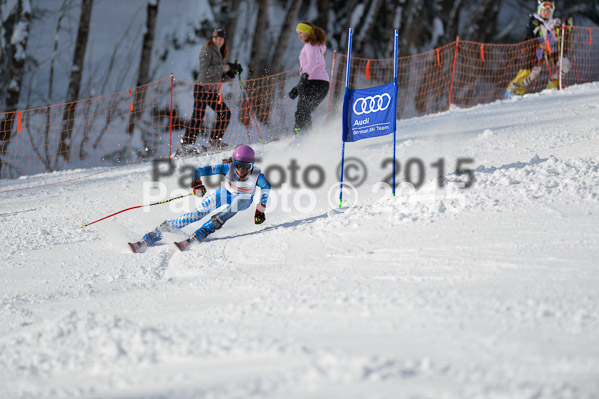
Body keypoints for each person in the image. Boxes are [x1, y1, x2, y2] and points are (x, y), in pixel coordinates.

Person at [128, 145, 270, 252]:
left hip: (243, 199)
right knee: (196, 214)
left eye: (247, 167)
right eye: (239, 166)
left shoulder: (257, 175)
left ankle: (206, 229)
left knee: (239, 201)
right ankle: (156, 233)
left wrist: (260, 209)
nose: (243, 171)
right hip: (225, 193)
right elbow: (198, 171)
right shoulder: (227, 167)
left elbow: (266, 187)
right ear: (234, 162)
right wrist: (197, 183)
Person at [182, 29, 243, 152]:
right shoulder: (207, 49)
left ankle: (215, 141)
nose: (218, 41)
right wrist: (225, 67)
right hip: (202, 88)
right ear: (212, 39)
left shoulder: (220, 52)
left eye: (220, 39)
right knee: (198, 116)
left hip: (212, 91)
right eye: (216, 39)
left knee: (225, 113)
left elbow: (218, 76)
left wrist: (231, 73)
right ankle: (187, 145)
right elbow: (205, 71)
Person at [505, 0, 573, 98]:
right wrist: (539, 43)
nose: (546, 13)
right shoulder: (534, 21)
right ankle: (513, 90)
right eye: (544, 11)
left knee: (565, 64)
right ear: (539, 10)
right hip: (535, 51)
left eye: (548, 12)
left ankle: (553, 86)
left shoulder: (553, 23)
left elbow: (560, 38)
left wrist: (566, 27)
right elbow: (528, 36)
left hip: (551, 50)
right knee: (531, 72)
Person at [289, 21, 330, 135]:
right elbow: (312, 67)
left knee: (302, 112)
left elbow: (311, 63)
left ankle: (302, 136)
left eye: (301, 33)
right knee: (304, 111)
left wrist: (304, 77)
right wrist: (298, 87)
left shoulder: (310, 45)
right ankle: (306, 136)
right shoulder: (316, 45)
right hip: (322, 84)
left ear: (308, 32)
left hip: (314, 82)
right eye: (298, 33)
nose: (299, 36)